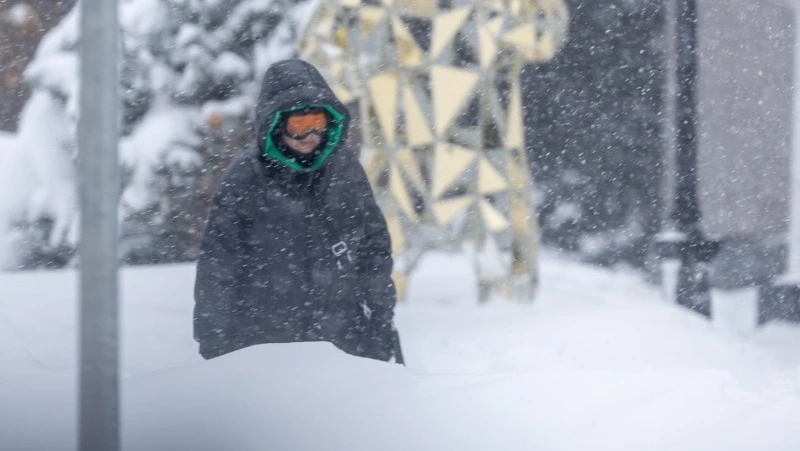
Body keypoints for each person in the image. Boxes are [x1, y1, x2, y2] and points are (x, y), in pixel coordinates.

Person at [193, 59, 403, 363]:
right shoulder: (246, 178)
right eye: (298, 125)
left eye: (317, 122)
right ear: (276, 125)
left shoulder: (344, 170)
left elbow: (373, 248)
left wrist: (380, 318)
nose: (309, 135)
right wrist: (214, 343)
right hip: (266, 348)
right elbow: (218, 268)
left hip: (344, 342)